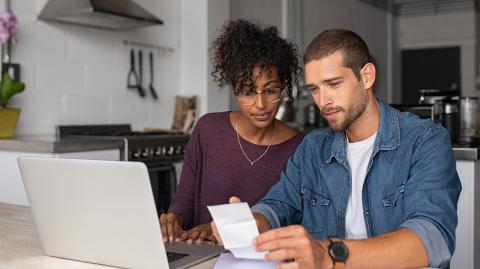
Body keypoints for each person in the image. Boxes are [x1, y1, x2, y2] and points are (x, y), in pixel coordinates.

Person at [213, 29, 461, 269]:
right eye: (315, 89)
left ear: (367, 76)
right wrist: (252, 224)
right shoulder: (313, 147)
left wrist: (329, 255)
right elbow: (278, 205)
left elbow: (432, 239)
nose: (323, 101)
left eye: (333, 84)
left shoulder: (425, 140)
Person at [159, 19, 304, 244]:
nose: (260, 104)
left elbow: (288, 219)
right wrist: (174, 218)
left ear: (283, 87)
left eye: (270, 90)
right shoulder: (208, 129)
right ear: (234, 90)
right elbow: (185, 198)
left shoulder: (299, 148)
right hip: (198, 254)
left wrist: (217, 229)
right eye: (247, 92)